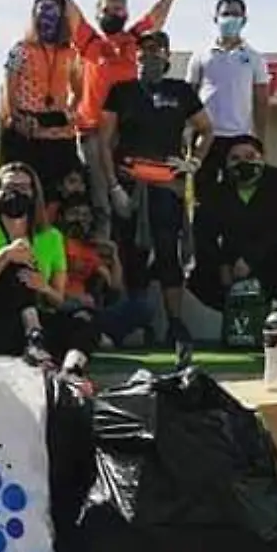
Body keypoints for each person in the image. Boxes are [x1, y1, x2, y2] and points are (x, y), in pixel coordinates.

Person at [31, 0, 198, 236]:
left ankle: (140, 267)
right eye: (107, 9)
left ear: (127, 13)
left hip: (130, 134)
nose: (113, 13)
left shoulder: (138, 39)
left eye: (119, 8)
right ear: (98, 12)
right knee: (102, 202)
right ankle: (104, 266)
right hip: (94, 133)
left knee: (138, 201)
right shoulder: (90, 42)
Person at [100, 29, 213, 346]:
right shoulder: (120, 91)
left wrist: (195, 162)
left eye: (157, 49)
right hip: (130, 184)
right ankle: (133, 320)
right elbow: (105, 143)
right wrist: (112, 187)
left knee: (168, 254)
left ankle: (175, 324)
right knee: (130, 253)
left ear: (167, 55)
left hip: (167, 185)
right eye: (143, 49)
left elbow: (206, 129)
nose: (149, 54)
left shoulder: (180, 91)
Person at [0, 163, 98, 366]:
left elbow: (58, 299)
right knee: (15, 264)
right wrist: (3, 256)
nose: (16, 193)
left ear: (34, 193)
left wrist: (42, 286)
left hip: (39, 314)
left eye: (24, 187)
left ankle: (72, 369)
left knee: (85, 319)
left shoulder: (51, 236)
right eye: (10, 188)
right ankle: (34, 338)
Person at [189, 135, 277, 326]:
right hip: (237, 265)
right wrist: (222, 264)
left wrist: (252, 257)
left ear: (262, 158)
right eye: (235, 158)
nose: (243, 162)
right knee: (200, 278)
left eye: (250, 156)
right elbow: (203, 234)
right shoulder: (217, 193)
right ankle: (241, 321)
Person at [0, 0, 83, 198]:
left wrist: (68, 115)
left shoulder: (71, 53)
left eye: (53, 11)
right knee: (24, 191)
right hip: (25, 129)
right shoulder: (20, 49)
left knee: (60, 193)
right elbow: (8, 85)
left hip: (58, 131)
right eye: (42, 10)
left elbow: (80, 89)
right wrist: (15, 118)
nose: (47, 17)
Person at [188, 0, 273, 180]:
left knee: (234, 195)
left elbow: (261, 101)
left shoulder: (255, 58)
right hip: (205, 137)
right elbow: (189, 97)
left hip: (239, 137)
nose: (230, 19)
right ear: (215, 18)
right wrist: (185, 135)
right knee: (203, 194)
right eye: (226, 14)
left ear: (244, 20)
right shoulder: (200, 55)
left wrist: (261, 140)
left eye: (236, 14)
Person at [57, 195, 154, 347]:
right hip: (62, 304)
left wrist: (114, 254)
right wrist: (75, 297)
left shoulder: (91, 249)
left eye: (85, 215)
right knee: (78, 313)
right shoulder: (54, 241)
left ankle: (101, 335)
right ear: (63, 216)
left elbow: (115, 286)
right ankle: (106, 337)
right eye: (74, 213)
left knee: (142, 307)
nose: (80, 219)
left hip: (90, 308)